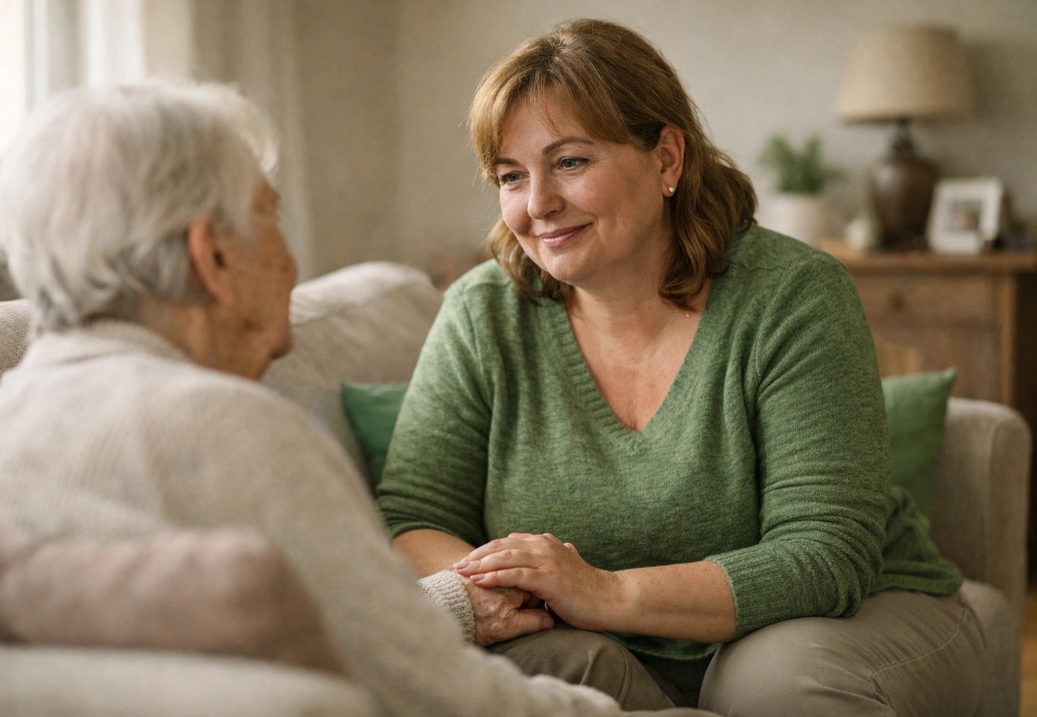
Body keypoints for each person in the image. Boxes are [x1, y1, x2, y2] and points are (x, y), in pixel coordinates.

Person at [0, 80, 710, 717]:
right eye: (270, 218)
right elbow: (442, 694)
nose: (289, 261)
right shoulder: (225, 426)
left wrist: (452, 602)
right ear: (212, 255)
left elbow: (282, 622)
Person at [376, 18, 985, 716]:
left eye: (570, 162)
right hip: (595, 641)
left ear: (666, 158)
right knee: (544, 664)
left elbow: (824, 554)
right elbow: (412, 518)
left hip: (848, 618)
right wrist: (501, 590)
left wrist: (603, 592)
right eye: (511, 176)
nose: (536, 204)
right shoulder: (481, 313)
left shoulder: (792, 293)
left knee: (765, 680)